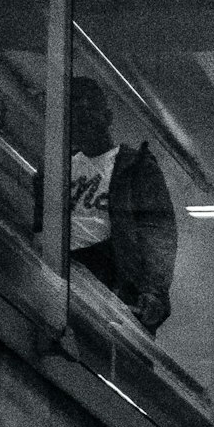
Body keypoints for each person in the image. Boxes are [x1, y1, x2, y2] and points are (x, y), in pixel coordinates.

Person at [64, 79, 177, 331]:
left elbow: (158, 231)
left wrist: (154, 290)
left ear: (107, 117)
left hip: (111, 279)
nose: (84, 123)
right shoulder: (57, 167)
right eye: (77, 117)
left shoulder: (134, 166)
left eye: (89, 113)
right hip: (68, 273)